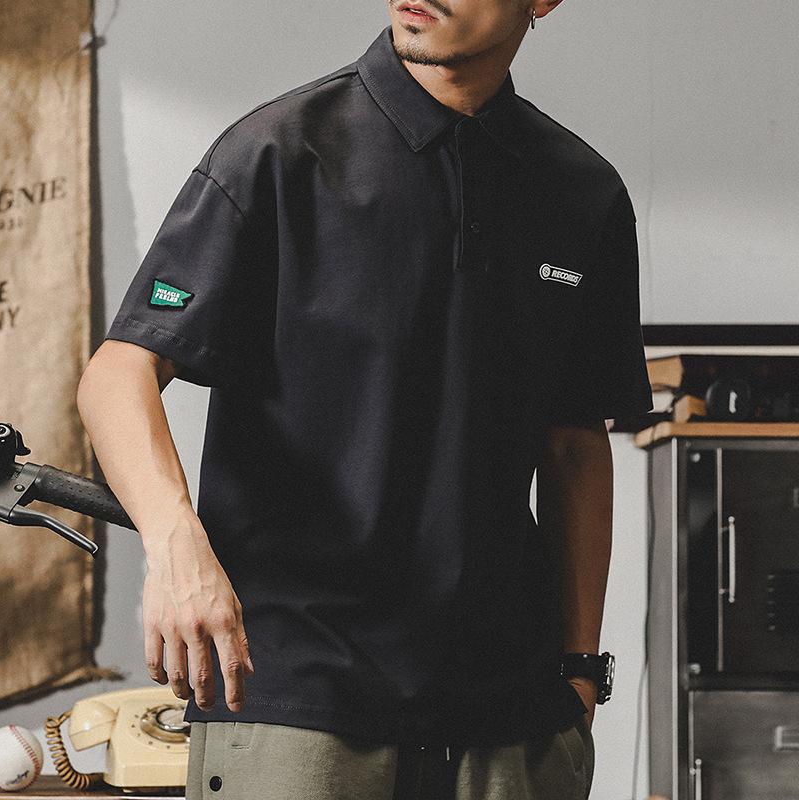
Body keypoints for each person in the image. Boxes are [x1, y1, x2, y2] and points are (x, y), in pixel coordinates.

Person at [77, 0, 653, 797]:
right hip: (296, 691)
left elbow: (575, 445)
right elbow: (118, 371)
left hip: (509, 705)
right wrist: (177, 550)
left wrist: (580, 668)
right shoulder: (277, 150)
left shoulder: (581, 192)